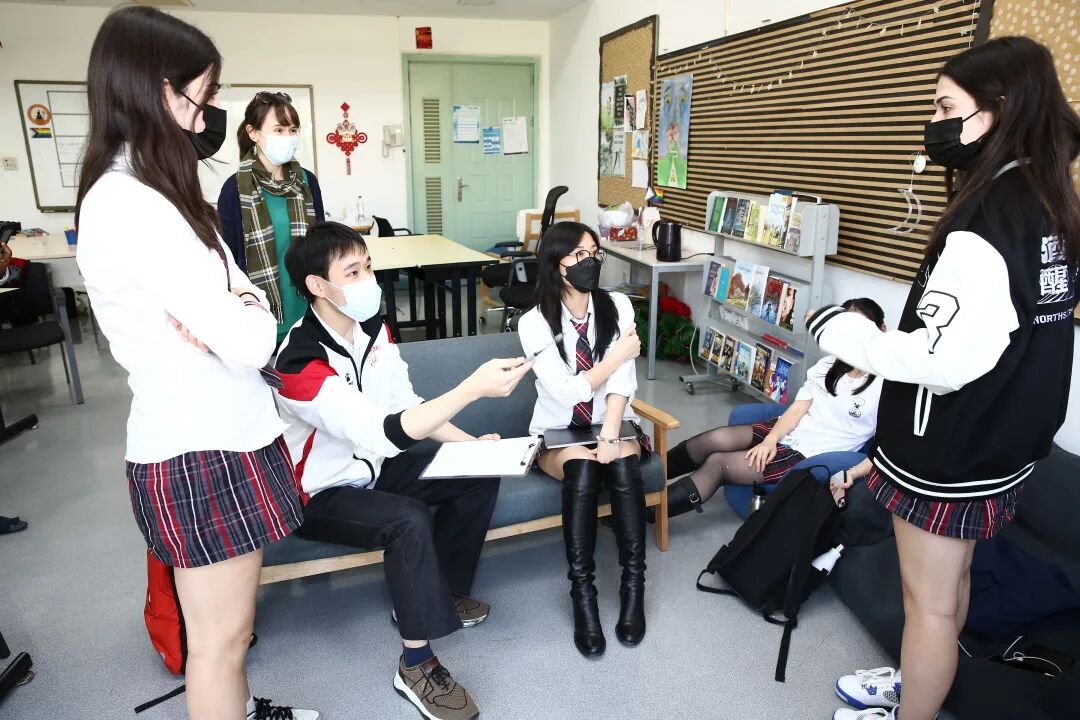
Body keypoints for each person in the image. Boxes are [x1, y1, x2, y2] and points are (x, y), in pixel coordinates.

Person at [807, 38, 1080, 720]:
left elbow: (940, 360)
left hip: (948, 449)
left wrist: (840, 330)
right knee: (950, 584)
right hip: (1003, 441)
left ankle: (913, 707)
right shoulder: (1048, 202)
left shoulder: (986, 222)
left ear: (995, 112)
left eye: (944, 107)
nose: (933, 123)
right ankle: (919, 681)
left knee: (926, 602)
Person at [74, 7, 317, 720]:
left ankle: (245, 710)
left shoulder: (161, 190)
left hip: (226, 429)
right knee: (219, 643)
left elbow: (243, 307)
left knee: (233, 636)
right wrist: (245, 310)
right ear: (157, 88)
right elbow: (250, 340)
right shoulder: (130, 203)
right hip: (198, 446)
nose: (205, 111)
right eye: (201, 94)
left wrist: (240, 304)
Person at [274, 222, 531, 720]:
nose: (368, 280)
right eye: (353, 272)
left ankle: (440, 593)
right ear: (317, 285)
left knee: (476, 473)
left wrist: (473, 447)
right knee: (407, 519)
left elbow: (408, 405)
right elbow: (382, 433)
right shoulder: (298, 362)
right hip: (319, 494)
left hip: (375, 470)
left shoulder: (375, 329)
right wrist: (470, 389)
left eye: (368, 267)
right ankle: (416, 665)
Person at [518, 221, 646, 658]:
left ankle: (633, 586)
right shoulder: (534, 323)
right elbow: (566, 392)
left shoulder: (618, 305)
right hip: (559, 431)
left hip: (613, 420)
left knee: (623, 462)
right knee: (583, 468)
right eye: (577, 254)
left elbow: (623, 380)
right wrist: (617, 354)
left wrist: (609, 434)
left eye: (593, 252)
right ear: (555, 263)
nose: (588, 261)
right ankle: (583, 594)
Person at [664, 298, 886, 517]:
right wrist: (770, 440)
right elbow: (797, 410)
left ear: (881, 331)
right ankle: (647, 480)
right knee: (715, 439)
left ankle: (650, 510)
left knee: (718, 464)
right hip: (788, 431)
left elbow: (886, 448)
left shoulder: (886, 388)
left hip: (809, 455)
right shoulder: (827, 366)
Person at [217, 92, 325, 344]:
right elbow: (228, 260)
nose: (288, 137)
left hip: (309, 306)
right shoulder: (234, 189)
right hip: (262, 311)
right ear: (253, 133)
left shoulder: (307, 181)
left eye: (292, 130)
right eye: (278, 130)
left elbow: (322, 245)